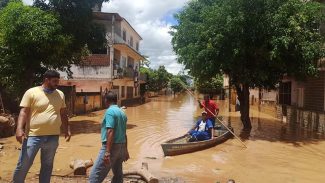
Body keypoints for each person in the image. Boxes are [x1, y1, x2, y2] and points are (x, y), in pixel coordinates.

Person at [13, 70, 71, 183]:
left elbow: (63, 113)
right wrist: (19, 129)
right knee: (24, 164)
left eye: (58, 81)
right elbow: (24, 112)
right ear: (46, 80)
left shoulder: (60, 94)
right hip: (33, 136)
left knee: (47, 166)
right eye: (54, 81)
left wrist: (67, 129)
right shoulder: (31, 92)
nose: (57, 83)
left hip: (53, 136)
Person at [89, 91, 129, 183]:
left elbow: (110, 130)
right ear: (116, 100)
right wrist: (125, 150)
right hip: (121, 146)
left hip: (111, 147)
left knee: (95, 175)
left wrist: (107, 152)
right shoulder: (122, 113)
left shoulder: (110, 111)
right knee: (118, 175)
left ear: (106, 100)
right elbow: (124, 133)